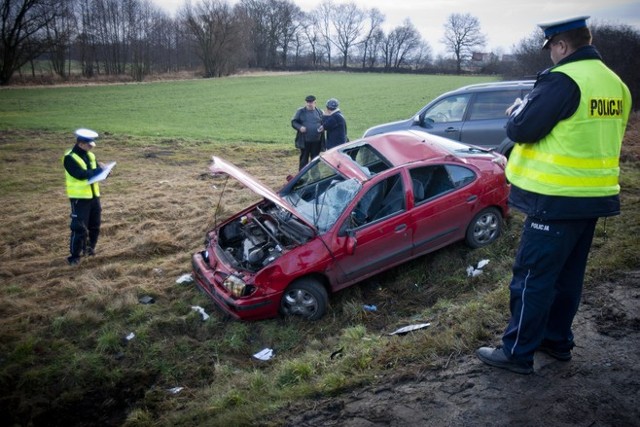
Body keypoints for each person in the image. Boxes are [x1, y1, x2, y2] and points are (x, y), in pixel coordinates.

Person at [476, 16, 632, 374]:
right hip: (593, 197)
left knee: (533, 276)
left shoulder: (564, 80)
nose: (551, 57)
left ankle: (517, 352)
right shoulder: (615, 84)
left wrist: (517, 109)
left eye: (551, 49)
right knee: (568, 276)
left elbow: (522, 127)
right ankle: (556, 340)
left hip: (555, 198)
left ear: (561, 45)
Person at [63, 128, 107, 265]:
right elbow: (80, 174)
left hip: (94, 196)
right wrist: (99, 170)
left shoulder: (90, 156)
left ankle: (89, 249)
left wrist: (105, 171)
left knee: (95, 226)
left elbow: (93, 172)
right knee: (79, 228)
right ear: (81, 144)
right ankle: (74, 257)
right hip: (79, 199)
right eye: (89, 145)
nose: (91, 148)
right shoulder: (69, 158)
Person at [291, 95, 324, 170]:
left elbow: (324, 123)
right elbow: (294, 122)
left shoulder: (320, 112)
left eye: (311, 102)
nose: (309, 104)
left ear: (315, 102)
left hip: (317, 141)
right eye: (307, 102)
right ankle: (302, 176)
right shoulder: (300, 111)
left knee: (315, 159)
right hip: (305, 141)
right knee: (304, 159)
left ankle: (315, 176)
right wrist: (300, 127)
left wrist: (323, 127)